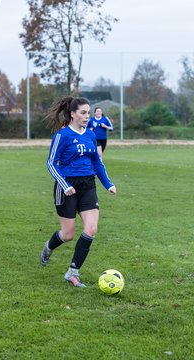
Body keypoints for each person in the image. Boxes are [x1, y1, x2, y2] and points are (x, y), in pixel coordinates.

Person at [39, 96, 116, 288]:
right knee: (68, 234)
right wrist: (65, 185)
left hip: (88, 185)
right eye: (83, 112)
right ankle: (49, 247)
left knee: (91, 229)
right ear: (72, 114)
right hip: (67, 187)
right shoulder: (62, 136)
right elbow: (50, 163)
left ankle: (73, 272)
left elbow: (97, 162)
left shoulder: (90, 134)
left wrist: (108, 184)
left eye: (88, 112)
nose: (86, 116)